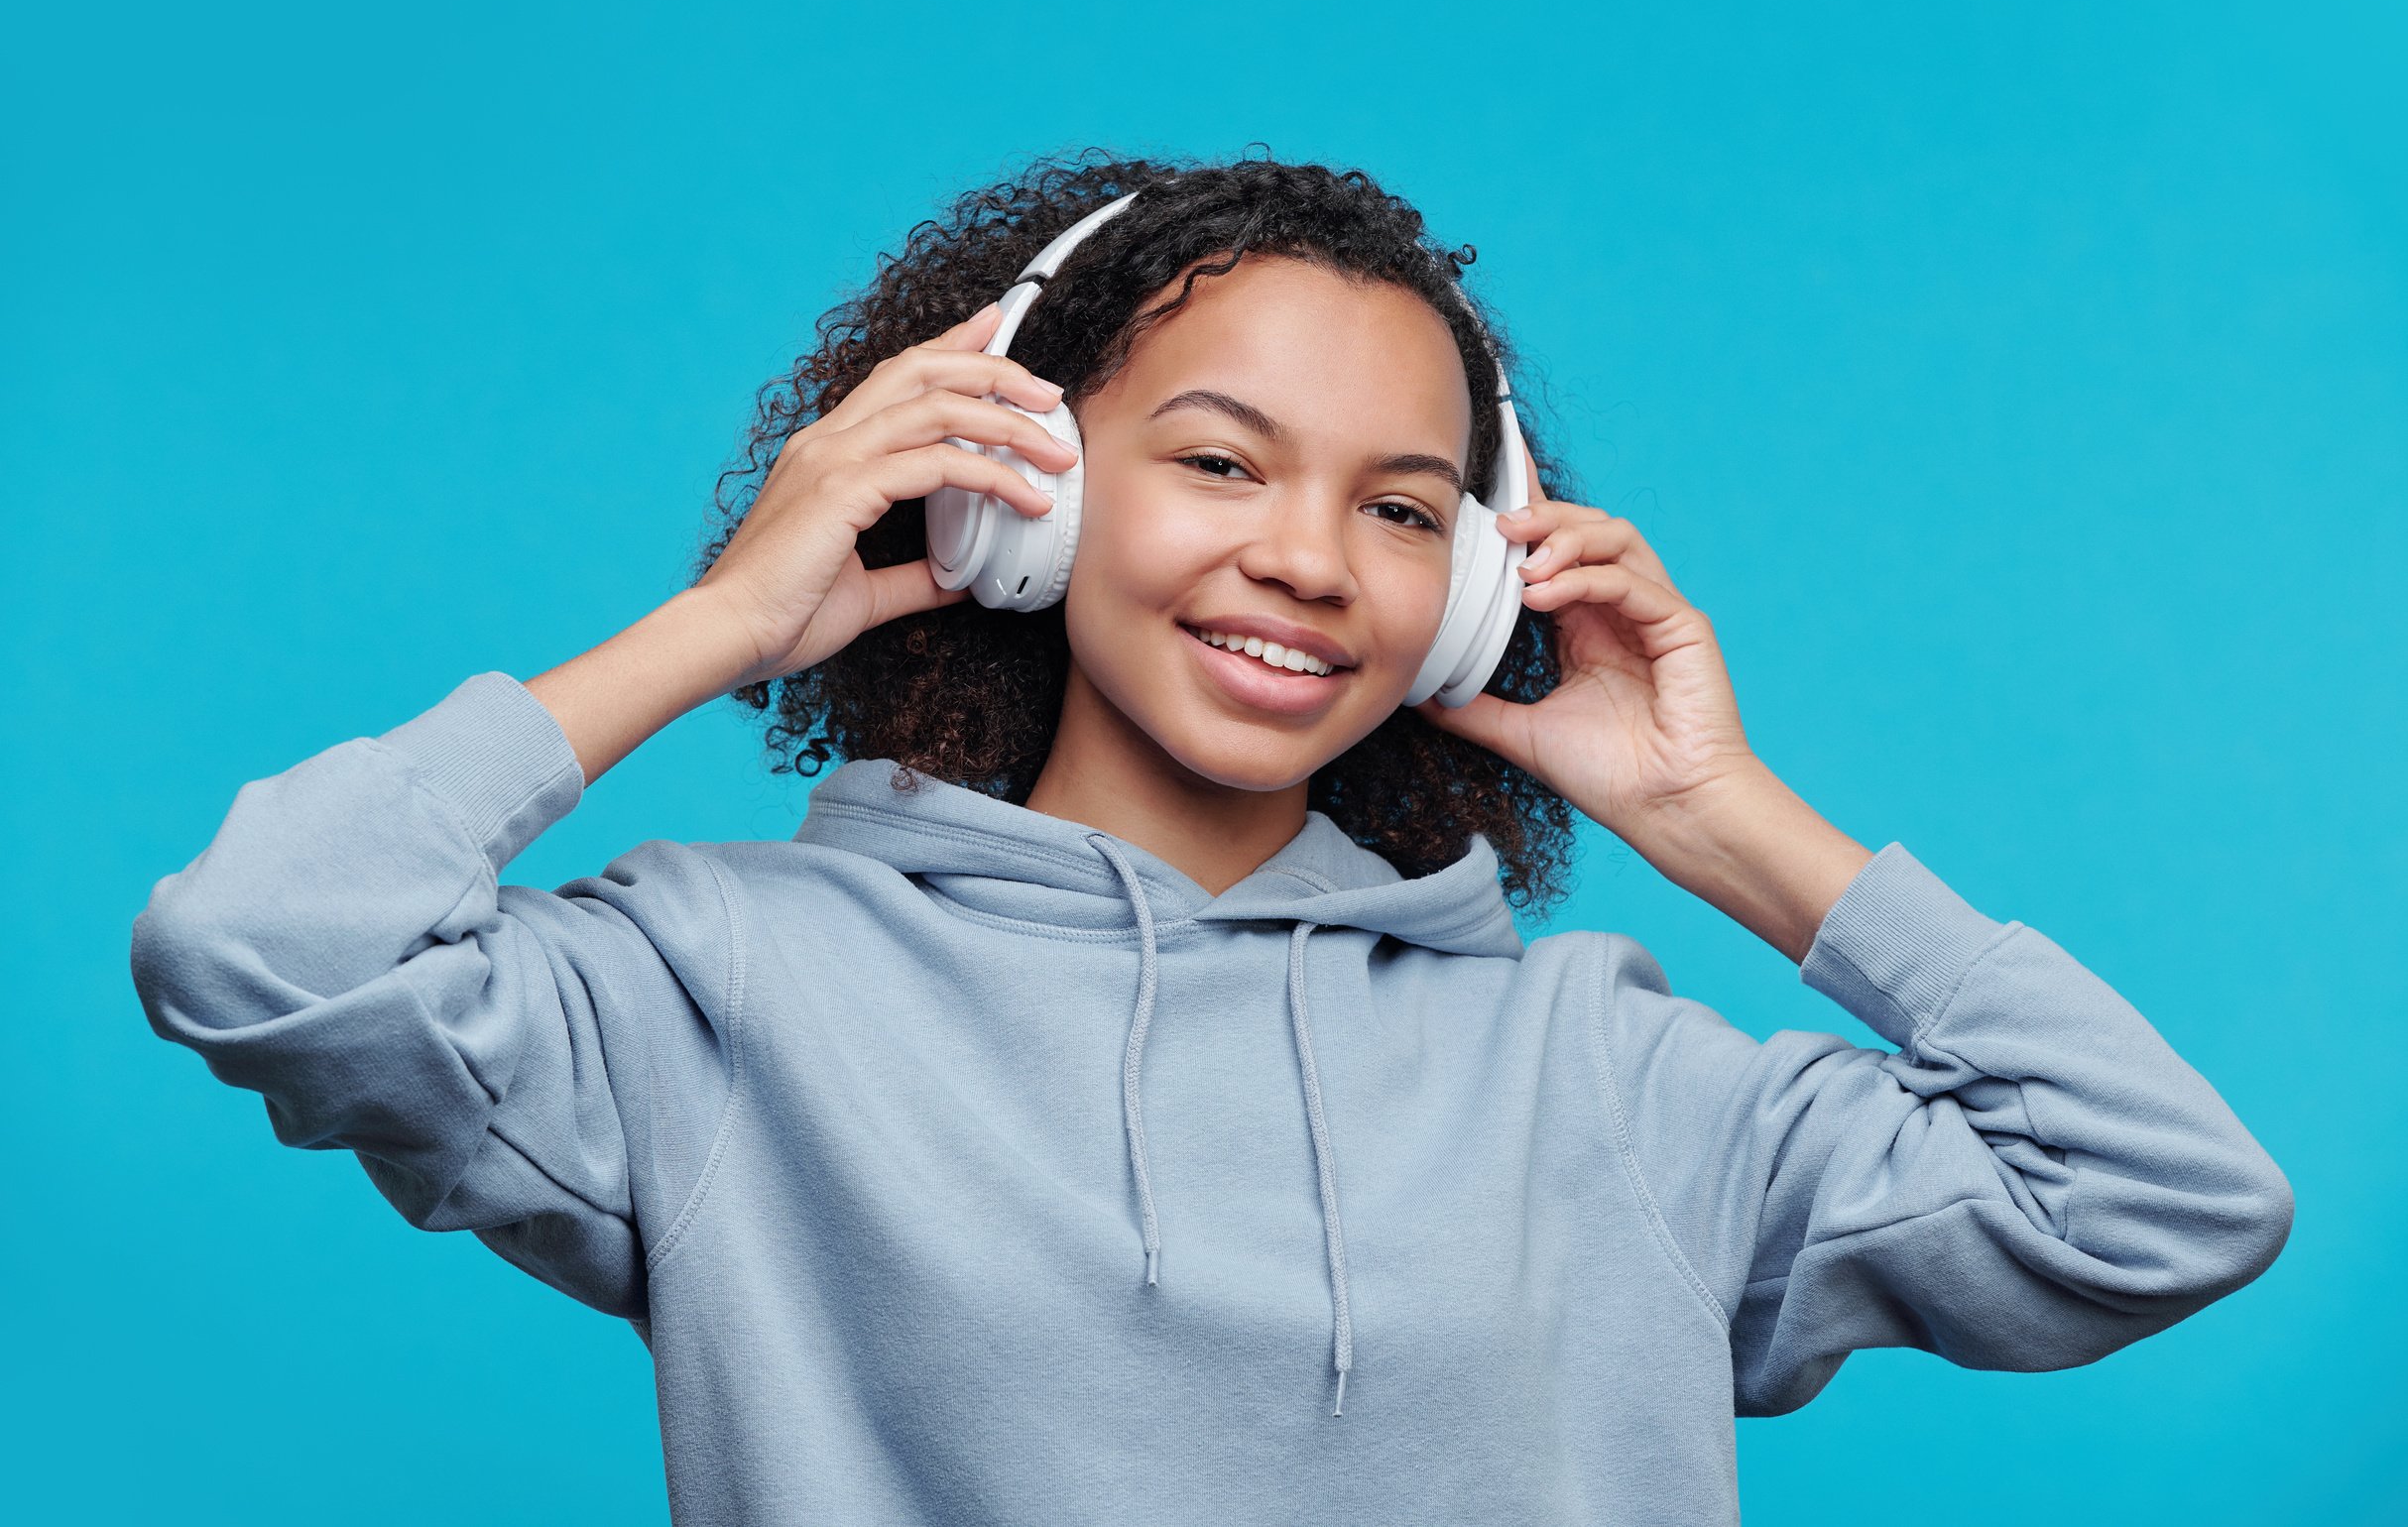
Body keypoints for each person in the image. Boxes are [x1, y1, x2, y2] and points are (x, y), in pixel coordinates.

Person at [129, 151, 2293, 1526]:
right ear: (1021, 493)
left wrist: (1711, 819)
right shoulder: (723, 999)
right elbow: (261, 947)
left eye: (1398, 510)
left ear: (1465, 590)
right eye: (1217, 463)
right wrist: (719, 624)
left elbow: (2160, 1200)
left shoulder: (1605, 1082)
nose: (1309, 563)